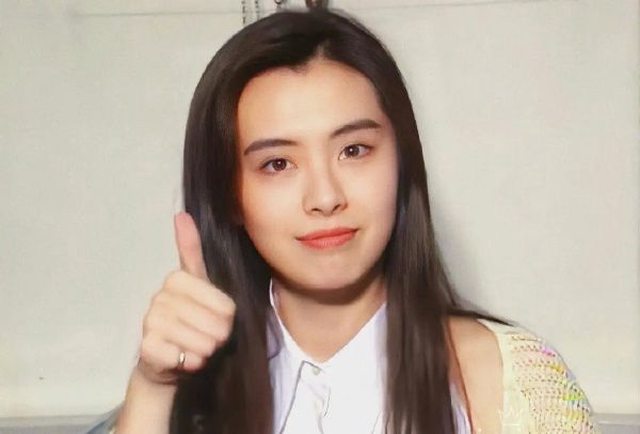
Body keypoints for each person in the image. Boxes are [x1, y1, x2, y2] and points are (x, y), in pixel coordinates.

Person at [87, 7, 599, 434]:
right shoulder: (177, 396)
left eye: (354, 150)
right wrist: (153, 388)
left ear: (402, 164)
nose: (325, 196)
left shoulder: (515, 382)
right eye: (277, 164)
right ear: (230, 196)